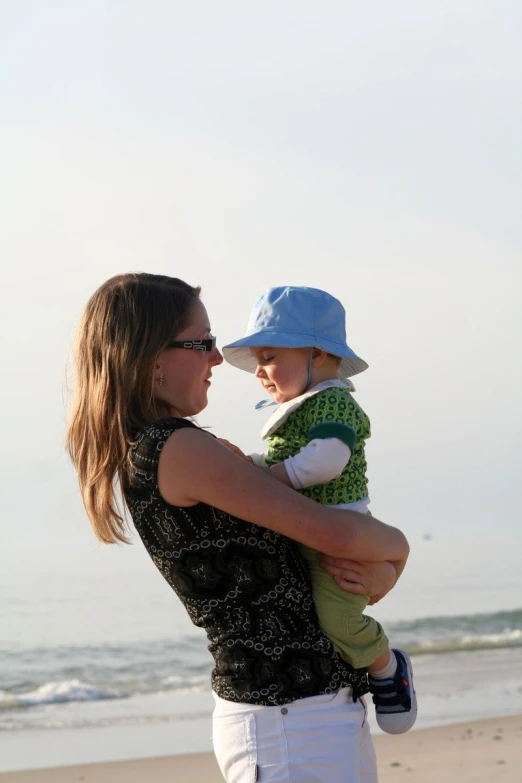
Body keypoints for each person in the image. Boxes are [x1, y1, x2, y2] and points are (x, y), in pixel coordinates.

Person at [66, 273, 409, 783]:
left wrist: (377, 570)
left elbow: (304, 550)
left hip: (309, 713)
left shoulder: (177, 447)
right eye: (201, 343)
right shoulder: (177, 448)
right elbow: (335, 534)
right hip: (288, 723)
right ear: (151, 357)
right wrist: (397, 554)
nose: (218, 358)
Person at [222, 286, 417, 735]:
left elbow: (327, 460)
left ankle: (388, 668)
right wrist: (246, 465)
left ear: (318, 354)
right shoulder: (296, 408)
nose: (259, 372)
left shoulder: (333, 402)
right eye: (256, 360)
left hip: (342, 532)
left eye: (269, 357)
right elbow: (285, 465)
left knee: (340, 619)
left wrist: (265, 478)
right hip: (312, 532)